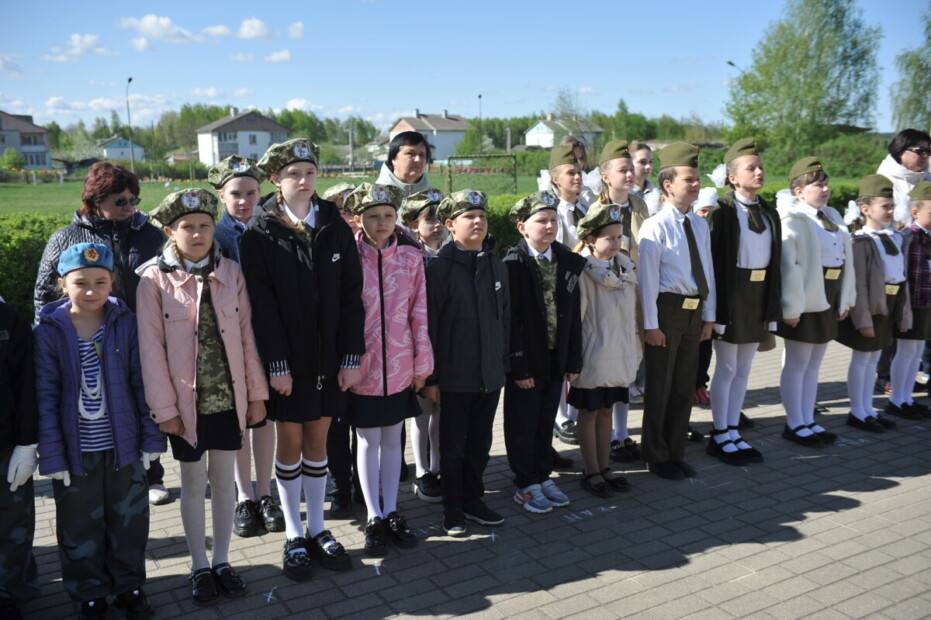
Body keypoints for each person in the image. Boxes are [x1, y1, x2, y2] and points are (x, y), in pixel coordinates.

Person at [136, 189, 268, 606]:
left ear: (214, 229)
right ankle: (198, 565)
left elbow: (247, 337)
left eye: (205, 226)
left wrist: (256, 395)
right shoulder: (152, 279)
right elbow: (150, 351)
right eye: (187, 227)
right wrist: (165, 410)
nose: (197, 234)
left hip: (228, 398)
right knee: (193, 483)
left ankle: (223, 561)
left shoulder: (231, 271)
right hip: (184, 406)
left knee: (225, 482)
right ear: (169, 231)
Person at [239, 139, 364, 580]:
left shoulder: (334, 224)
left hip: (329, 360)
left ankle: (317, 528)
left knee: (319, 442)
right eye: (294, 173)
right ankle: (293, 532)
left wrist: (351, 355)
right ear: (276, 179)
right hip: (288, 365)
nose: (304, 180)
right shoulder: (259, 232)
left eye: (310, 172)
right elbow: (262, 306)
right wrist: (277, 365)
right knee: (289, 444)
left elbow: (351, 296)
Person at [35, 242, 164, 619]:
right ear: (62, 284)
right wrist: (52, 456)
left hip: (124, 447)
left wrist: (151, 438)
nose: (91, 291)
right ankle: (89, 592)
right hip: (76, 454)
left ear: (113, 282)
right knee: (79, 526)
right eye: (81, 282)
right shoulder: (48, 331)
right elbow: (45, 395)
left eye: (100, 282)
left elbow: (142, 383)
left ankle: (128, 586)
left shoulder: (125, 323)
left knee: (129, 522)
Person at [32, 161, 169, 505]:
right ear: (95, 200)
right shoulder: (66, 237)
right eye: (119, 201)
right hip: (85, 339)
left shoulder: (150, 234)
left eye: (133, 200)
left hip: (142, 338)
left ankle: (152, 474)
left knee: (143, 401)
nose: (129, 207)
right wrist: (51, 341)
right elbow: (43, 294)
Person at [345, 183, 433, 555]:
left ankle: (393, 510)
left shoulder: (411, 258)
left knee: (393, 439)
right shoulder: (347, 258)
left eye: (388, 216)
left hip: (399, 364)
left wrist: (421, 362)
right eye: (373, 216)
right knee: (367, 440)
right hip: (362, 367)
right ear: (357, 219)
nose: (381, 223)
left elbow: (419, 312)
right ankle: (373, 514)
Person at [422, 190, 509, 536]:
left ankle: (474, 499)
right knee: (453, 446)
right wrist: (432, 378)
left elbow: (504, 320)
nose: (478, 222)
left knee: (480, 444)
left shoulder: (496, 265)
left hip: (489, 374)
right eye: (469, 217)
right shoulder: (439, 270)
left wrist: (502, 364)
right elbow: (429, 326)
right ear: (450, 224)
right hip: (454, 376)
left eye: (482, 216)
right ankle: (452, 508)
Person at [207, 157, 285, 538]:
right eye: (235, 194)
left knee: (264, 416)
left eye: (251, 193)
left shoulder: (270, 229)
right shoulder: (213, 237)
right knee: (239, 417)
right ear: (221, 195)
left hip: (266, 335)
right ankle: (244, 495)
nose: (244, 201)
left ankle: (266, 493)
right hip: (229, 339)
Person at [637, 142, 715, 480]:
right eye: (689, 179)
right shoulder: (655, 226)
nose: (696, 184)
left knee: (684, 385)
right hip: (667, 310)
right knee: (661, 386)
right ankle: (656, 455)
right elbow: (647, 282)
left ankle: (675, 451)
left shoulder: (699, 224)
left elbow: (707, 271)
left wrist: (709, 315)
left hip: (694, 311)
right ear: (668, 184)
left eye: (697, 178)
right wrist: (651, 326)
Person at [503, 191, 585, 513]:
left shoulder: (566, 261)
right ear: (522, 227)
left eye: (553, 220)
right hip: (527, 359)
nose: (550, 226)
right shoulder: (512, 265)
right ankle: (525, 482)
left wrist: (573, 359)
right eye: (541, 221)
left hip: (555, 356)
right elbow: (509, 321)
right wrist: (518, 367)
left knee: (544, 419)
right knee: (522, 422)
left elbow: (573, 316)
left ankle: (542, 474)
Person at [705, 139, 782, 465]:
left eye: (760, 166)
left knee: (744, 368)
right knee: (727, 367)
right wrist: (714, 308)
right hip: (732, 296)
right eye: (751, 168)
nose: (759, 172)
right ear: (732, 177)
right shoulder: (722, 212)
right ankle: (719, 433)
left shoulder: (769, 211)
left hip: (758, 295)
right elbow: (712, 262)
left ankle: (733, 430)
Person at [776, 158, 855, 446]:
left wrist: (844, 298)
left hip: (829, 293)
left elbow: (846, 259)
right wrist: (792, 306)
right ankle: (794, 423)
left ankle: (808, 419)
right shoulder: (793, 219)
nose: (825, 189)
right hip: (806, 296)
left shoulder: (831, 215)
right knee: (797, 363)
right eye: (818, 185)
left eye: (826, 183)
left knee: (814, 364)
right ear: (798, 191)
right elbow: (789, 266)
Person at [570, 202, 640, 496]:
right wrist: (574, 360)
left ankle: (605, 466)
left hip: (619, 354)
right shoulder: (583, 271)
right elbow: (576, 320)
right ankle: (591, 470)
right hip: (594, 355)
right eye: (609, 238)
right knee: (589, 412)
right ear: (590, 239)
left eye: (619, 237)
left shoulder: (625, 267)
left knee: (607, 410)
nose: (616, 243)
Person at [591, 140, 649, 463]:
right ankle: (608, 436)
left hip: (635, 293)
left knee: (628, 363)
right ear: (605, 176)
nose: (630, 174)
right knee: (609, 365)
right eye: (622, 170)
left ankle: (623, 433)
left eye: (631, 169)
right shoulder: (595, 209)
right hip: (607, 296)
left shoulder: (640, 205)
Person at [838, 175, 909, 432]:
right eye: (885, 206)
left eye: (892, 206)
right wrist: (863, 320)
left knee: (874, 359)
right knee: (862, 359)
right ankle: (857, 411)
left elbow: (900, 276)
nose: (890, 211)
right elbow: (859, 285)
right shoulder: (861, 241)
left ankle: (868, 409)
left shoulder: (894, 236)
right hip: (870, 307)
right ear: (866, 209)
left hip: (888, 305)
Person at [399, 188, 446, 503]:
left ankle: (439, 468)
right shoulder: (410, 257)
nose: (437, 224)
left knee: (441, 411)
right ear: (413, 225)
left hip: (446, 345)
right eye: (430, 219)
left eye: (441, 217)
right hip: (419, 345)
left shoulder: (450, 254)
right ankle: (422, 470)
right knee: (421, 412)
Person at [0, 301, 38, 620]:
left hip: (6, 445)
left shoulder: (9, 321)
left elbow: (26, 385)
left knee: (12, 524)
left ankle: (9, 594)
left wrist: (27, 444)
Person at [548, 145, 588, 446]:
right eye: (570, 173)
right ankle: (561, 416)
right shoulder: (553, 212)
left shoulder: (585, 207)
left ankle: (573, 410)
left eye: (579, 172)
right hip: (563, 291)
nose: (577, 177)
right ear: (555, 178)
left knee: (578, 349)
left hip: (586, 289)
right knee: (561, 351)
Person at [886, 182, 931, 420]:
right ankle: (896, 400)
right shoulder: (908, 237)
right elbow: (900, 275)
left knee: (916, 351)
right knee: (905, 351)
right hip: (911, 304)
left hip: (926, 302)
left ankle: (907, 398)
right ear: (915, 212)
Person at [876, 129, 931, 226]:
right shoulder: (882, 181)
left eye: (928, 151)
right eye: (920, 151)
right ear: (900, 151)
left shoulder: (928, 179)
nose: (925, 155)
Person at [376, 131, 432, 197]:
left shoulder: (434, 199)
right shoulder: (375, 197)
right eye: (410, 153)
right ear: (393, 159)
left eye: (422, 155)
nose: (418, 160)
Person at [630, 141, 661, 216]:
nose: (648, 166)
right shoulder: (624, 193)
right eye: (642, 162)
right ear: (629, 163)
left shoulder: (656, 193)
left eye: (650, 162)